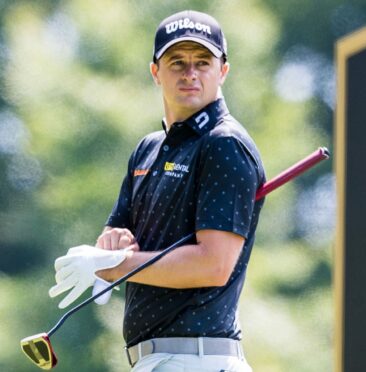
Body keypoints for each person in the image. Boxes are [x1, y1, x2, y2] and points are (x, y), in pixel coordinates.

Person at [48, 10, 264, 371]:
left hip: (199, 359)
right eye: (177, 61)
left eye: (203, 61)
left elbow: (213, 265)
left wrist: (115, 265)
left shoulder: (224, 143)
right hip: (154, 360)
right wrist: (114, 247)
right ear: (155, 72)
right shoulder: (147, 149)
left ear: (223, 70)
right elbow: (113, 237)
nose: (190, 73)